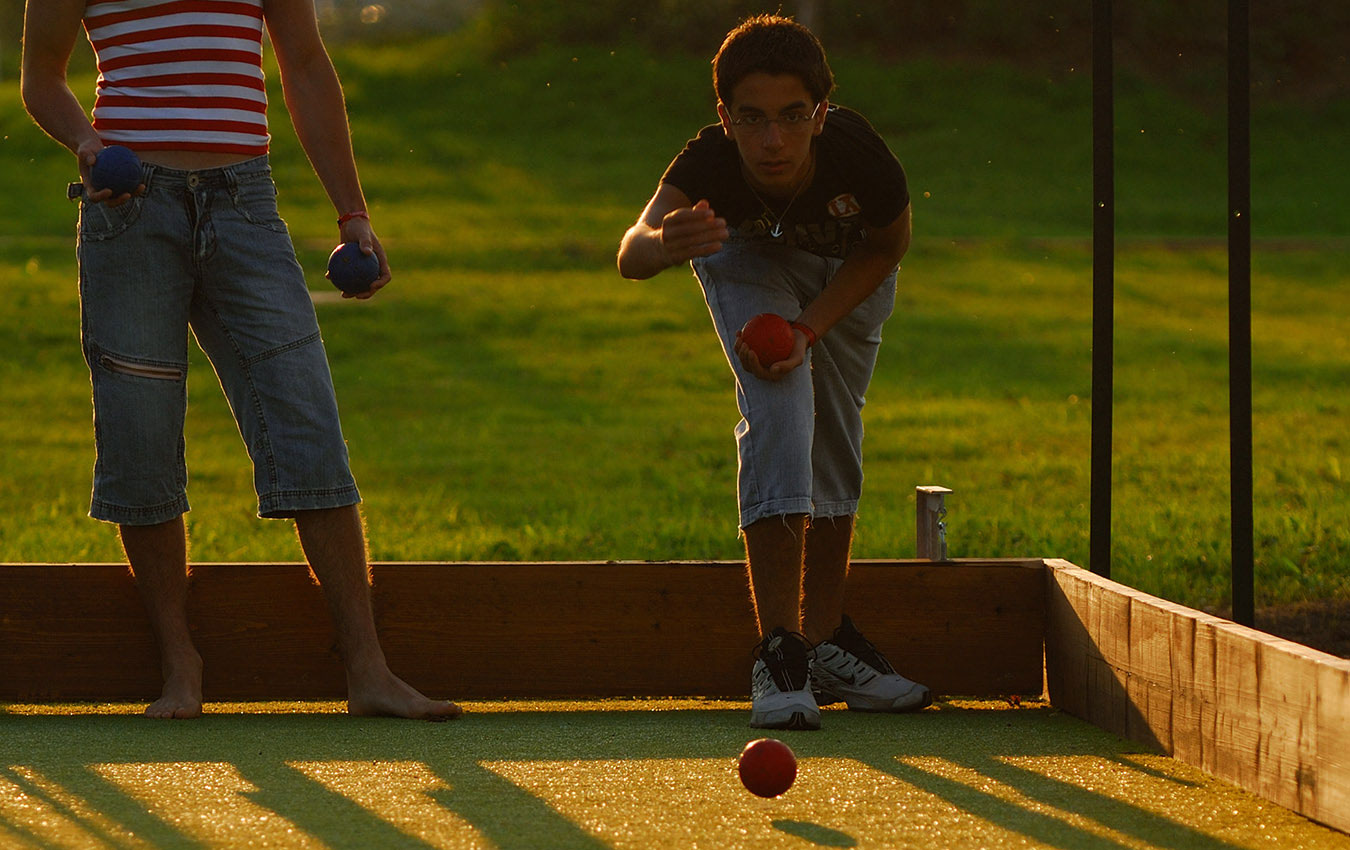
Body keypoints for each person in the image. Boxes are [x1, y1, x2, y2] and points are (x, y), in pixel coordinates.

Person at [21, 0, 460, 721]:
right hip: (130, 208)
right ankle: (179, 667)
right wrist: (86, 142)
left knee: (305, 418)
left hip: (243, 203)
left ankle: (369, 671)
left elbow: (308, 65)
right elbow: (40, 77)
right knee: (141, 434)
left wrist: (353, 213)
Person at [617, 14, 930, 730]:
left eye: (793, 117)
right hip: (747, 261)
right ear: (724, 116)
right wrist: (666, 244)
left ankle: (822, 642)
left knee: (836, 437)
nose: (772, 141)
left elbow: (887, 246)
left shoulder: (861, 158)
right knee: (782, 408)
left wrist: (809, 326)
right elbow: (631, 252)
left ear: (821, 113)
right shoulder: (709, 163)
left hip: (846, 275)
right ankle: (780, 651)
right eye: (751, 118)